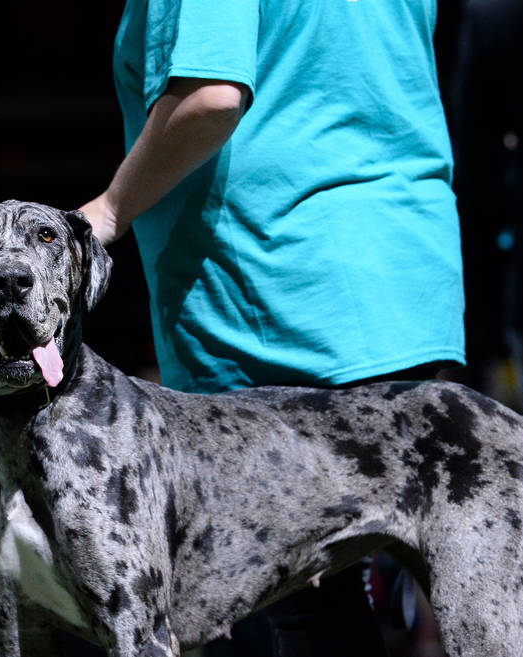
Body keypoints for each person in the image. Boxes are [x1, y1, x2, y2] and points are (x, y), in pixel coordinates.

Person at [80, 2, 465, 655]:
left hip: (278, 300)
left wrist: (106, 212)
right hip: (408, 290)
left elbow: (210, 96)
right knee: (414, 620)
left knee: (309, 622)